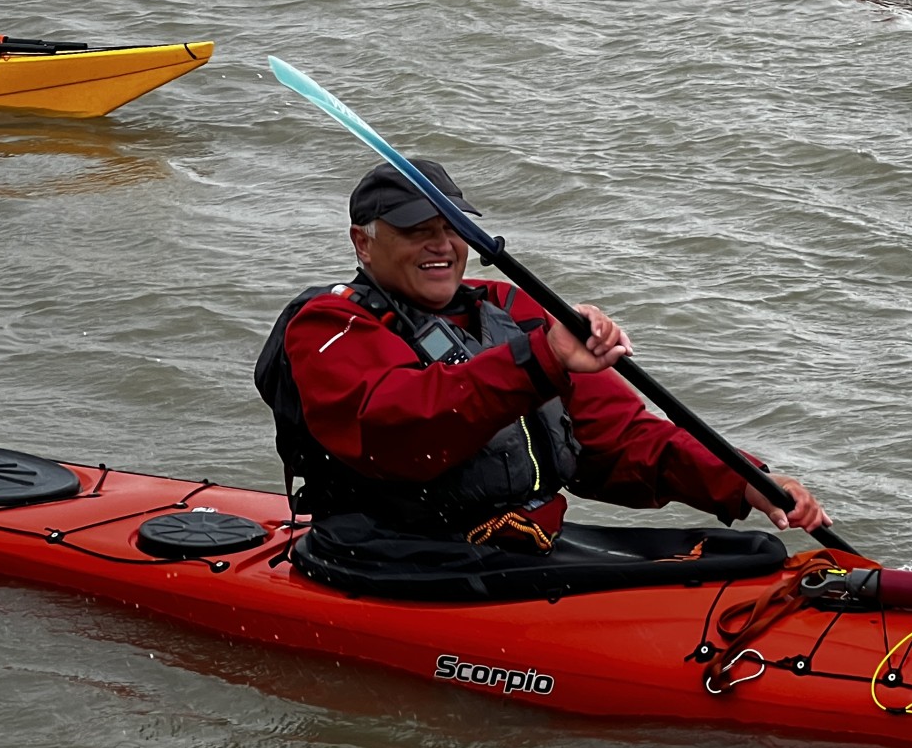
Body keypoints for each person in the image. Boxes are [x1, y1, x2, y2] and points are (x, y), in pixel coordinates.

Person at [255, 157, 830, 556]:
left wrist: (742, 479)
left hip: (522, 545)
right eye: (415, 232)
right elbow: (402, 428)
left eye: (453, 229)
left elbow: (620, 440)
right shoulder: (332, 326)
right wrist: (538, 360)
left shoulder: (510, 308)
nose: (442, 246)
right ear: (363, 243)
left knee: (750, 550)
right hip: (394, 554)